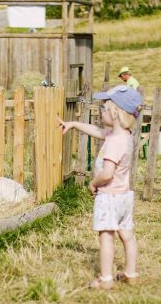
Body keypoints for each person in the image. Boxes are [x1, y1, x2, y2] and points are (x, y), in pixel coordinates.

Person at [58, 84, 142, 289]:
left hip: (109, 197)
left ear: (115, 112)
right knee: (127, 235)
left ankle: (105, 279)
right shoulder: (124, 136)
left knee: (106, 237)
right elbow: (96, 131)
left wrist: (93, 183)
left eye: (103, 108)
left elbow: (107, 174)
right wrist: (74, 124)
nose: (100, 111)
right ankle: (131, 273)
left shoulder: (114, 142)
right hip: (123, 196)